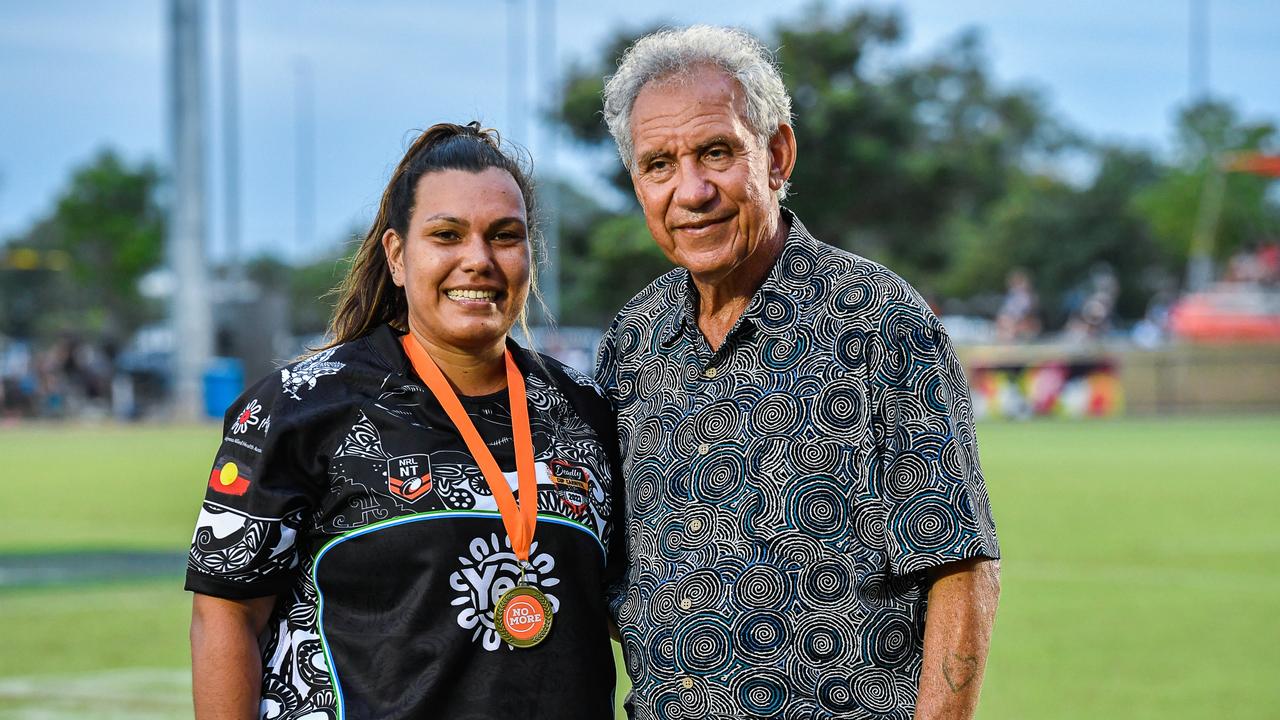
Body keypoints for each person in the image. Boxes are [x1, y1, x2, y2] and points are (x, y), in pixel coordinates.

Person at [595, 27, 1001, 719]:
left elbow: (961, 566)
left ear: (776, 153)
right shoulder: (632, 341)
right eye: (658, 164)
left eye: (715, 152)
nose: (690, 190)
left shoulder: (878, 320)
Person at [186, 122, 622, 720]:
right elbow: (227, 613)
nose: (479, 260)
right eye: (447, 235)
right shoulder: (299, 408)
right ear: (397, 254)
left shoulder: (588, 410)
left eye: (505, 236)